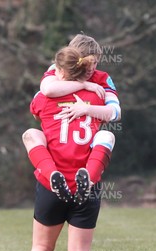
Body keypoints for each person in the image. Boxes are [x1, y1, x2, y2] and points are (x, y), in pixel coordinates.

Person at [22, 46, 111, 251]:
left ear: (60, 72)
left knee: (41, 247)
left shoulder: (45, 96)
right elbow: (110, 114)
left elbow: (39, 105)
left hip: (53, 184)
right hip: (86, 185)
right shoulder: (96, 95)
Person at [22, 34, 120, 203]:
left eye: (95, 62)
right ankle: (53, 175)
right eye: (87, 62)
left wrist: (87, 109)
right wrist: (84, 85)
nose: (91, 68)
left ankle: (86, 181)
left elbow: (116, 113)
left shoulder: (103, 79)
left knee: (106, 136)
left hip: (83, 148)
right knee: (30, 134)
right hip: (62, 149)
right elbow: (47, 89)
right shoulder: (56, 70)